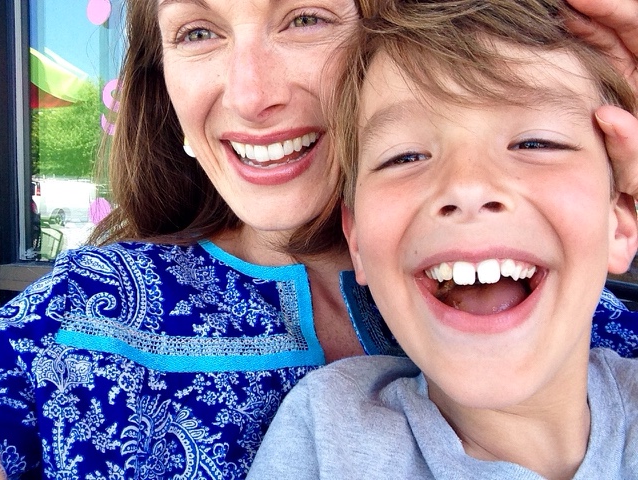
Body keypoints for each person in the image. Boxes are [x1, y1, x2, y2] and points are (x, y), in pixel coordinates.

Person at [0, 0, 638, 478]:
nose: (251, 96)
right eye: (196, 32)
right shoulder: (74, 317)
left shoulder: (599, 327)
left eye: (305, 18)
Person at [247, 0, 638, 478]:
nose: (466, 187)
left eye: (536, 143)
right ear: (357, 239)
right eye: (405, 157)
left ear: (620, 222)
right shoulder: (330, 432)